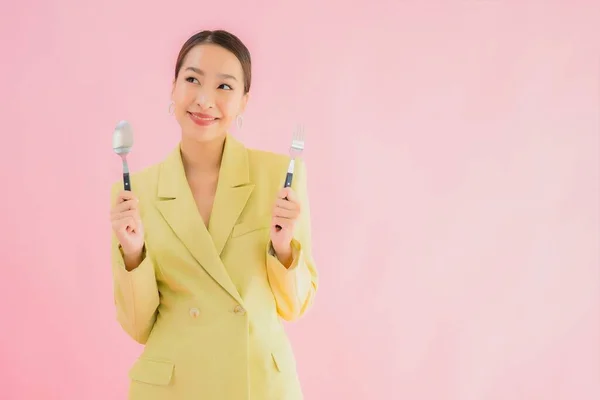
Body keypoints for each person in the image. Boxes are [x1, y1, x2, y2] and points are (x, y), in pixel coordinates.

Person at [109, 29, 318, 400]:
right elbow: (138, 327)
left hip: (257, 385)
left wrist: (283, 249)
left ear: (244, 102)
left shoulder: (279, 177)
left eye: (224, 87)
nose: (205, 100)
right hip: (173, 388)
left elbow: (295, 306)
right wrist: (133, 253)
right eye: (192, 80)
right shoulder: (134, 193)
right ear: (173, 89)